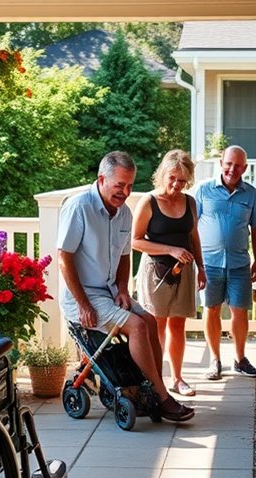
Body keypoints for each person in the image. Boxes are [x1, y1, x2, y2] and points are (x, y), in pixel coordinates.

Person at [58, 151, 194, 422]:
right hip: (82, 297)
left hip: (110, 292)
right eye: (119, 185)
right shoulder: (79, 207)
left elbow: (123, 258)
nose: (125, 191)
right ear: (101, 179)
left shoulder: (123, 213)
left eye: (130, 185)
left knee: (150, 321)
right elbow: (64, 258)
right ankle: (161, 397)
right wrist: (83, 304)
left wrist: (122, 289)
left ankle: (149, 389)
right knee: (138, 326)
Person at [132, 150, 206, 397]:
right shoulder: (149, 201)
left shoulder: (190, 202)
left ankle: (177, 378)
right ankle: (156, 380)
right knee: (157, 327)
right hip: (156, 271)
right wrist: (170, 250)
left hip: (184, 271)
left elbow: (193, 235)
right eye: (173, 178)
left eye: (182, 181)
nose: (176, 184)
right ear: (163, 174)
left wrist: (202, 268)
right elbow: (135, 241)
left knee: (178, 326)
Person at [194, 145, 256, 381]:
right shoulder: (203, 190)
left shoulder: (251, 194)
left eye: (238, 165)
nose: (232, 169)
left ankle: (240, 359)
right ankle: (215, 360)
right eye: (229, 163)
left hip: (239, 264)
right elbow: (190, 226)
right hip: (209, 263)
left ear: (244, 168)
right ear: (221, 162)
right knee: (211, 309)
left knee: (239, 311)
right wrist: (196, 261)